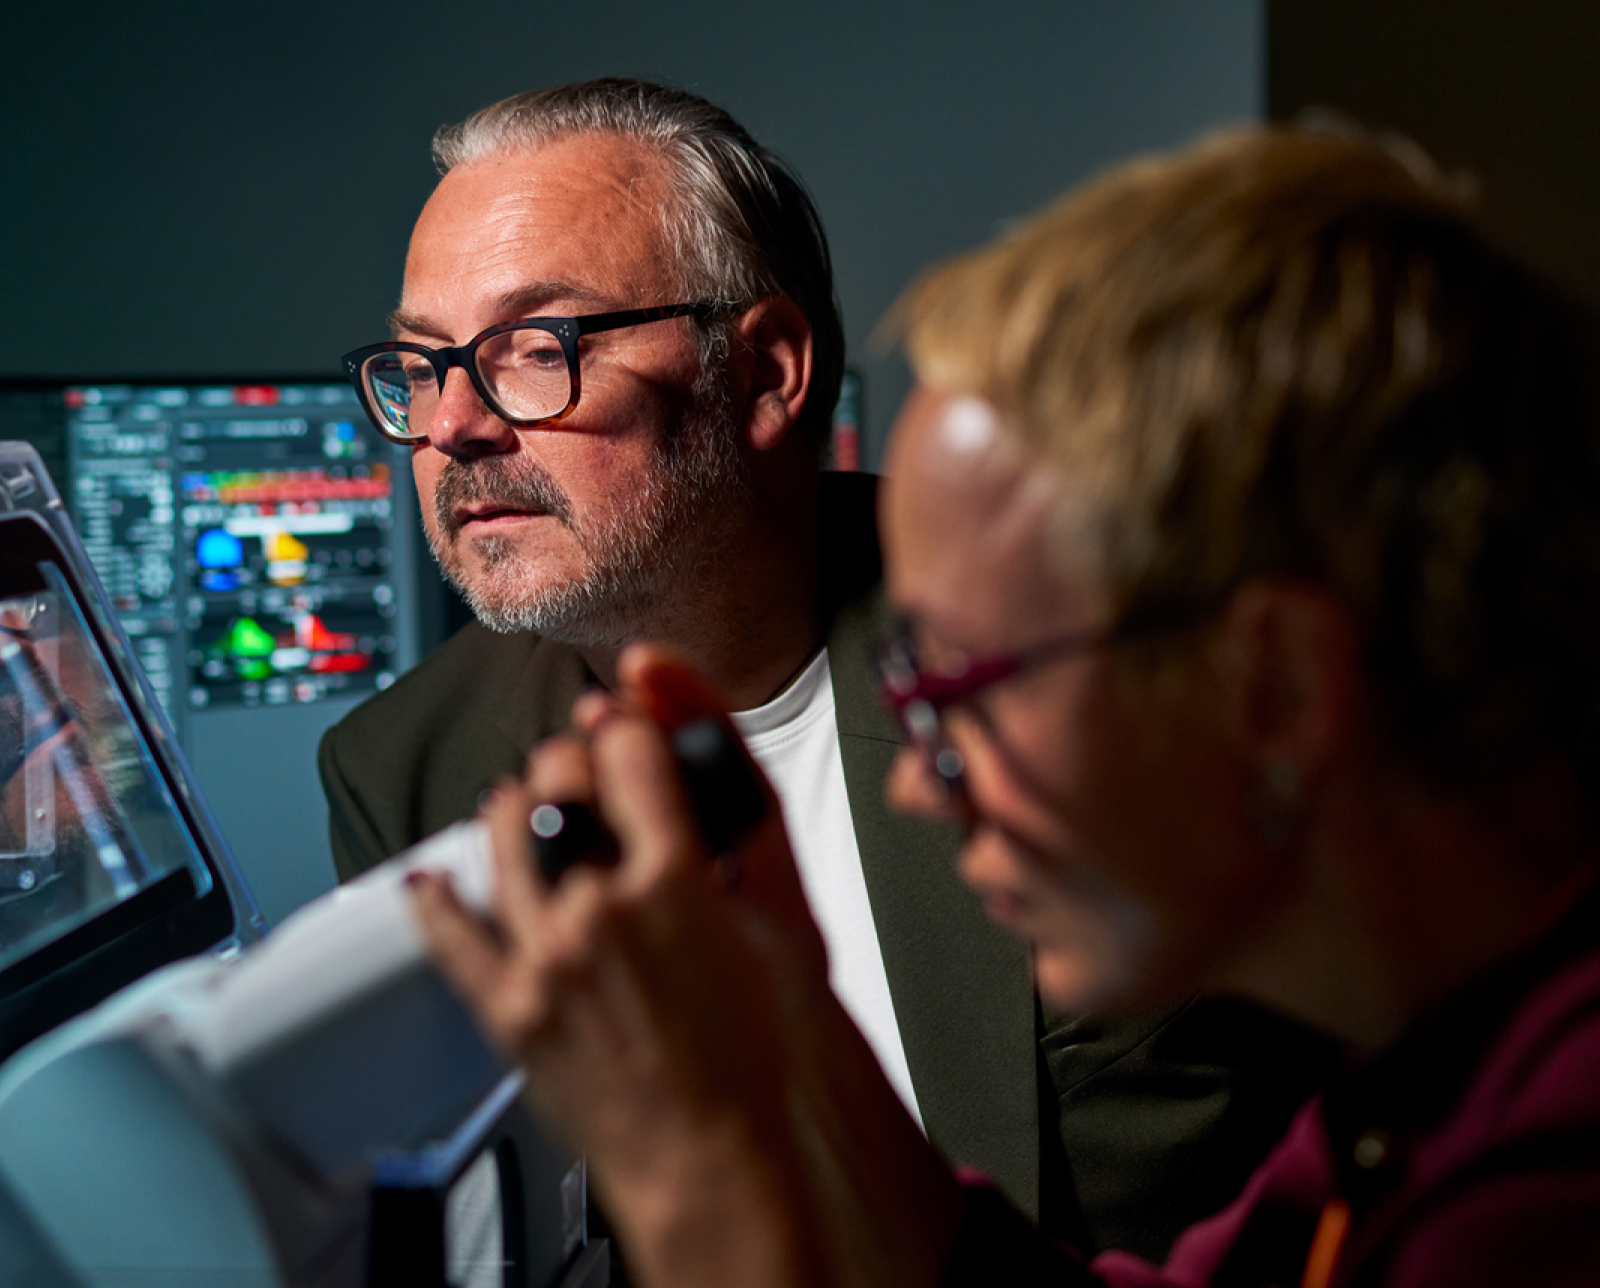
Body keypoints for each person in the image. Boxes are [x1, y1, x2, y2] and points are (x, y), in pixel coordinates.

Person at [409, 120, 1600, 1288]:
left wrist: (688, 1169)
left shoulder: (1541, 1198)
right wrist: (794, 1022)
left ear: (1278, 688)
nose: (919, 777)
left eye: (967, 687)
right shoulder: (1426, 1085)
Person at [327, 78, 1333, 1255]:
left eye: (532, 349)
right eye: (421, 364)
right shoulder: (401, 772)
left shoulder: (1073, 669)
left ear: (765, 375)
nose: (452, 423)